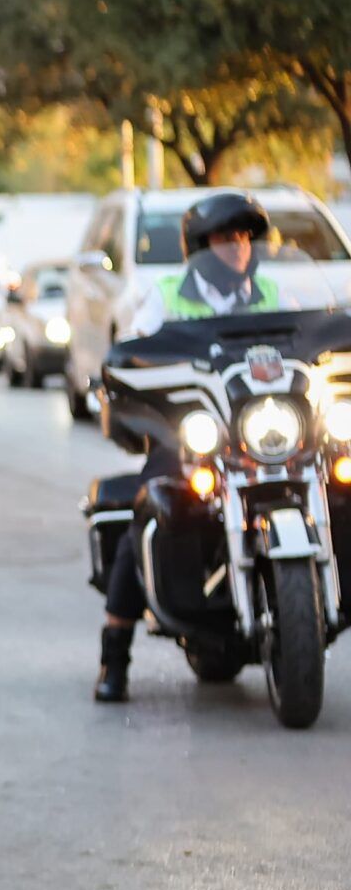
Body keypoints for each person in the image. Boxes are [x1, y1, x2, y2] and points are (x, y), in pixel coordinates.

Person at [95, 191, 295, 702]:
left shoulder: (271, 293)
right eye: (226, 238)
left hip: (262, 433)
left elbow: (305, 347)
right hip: (193, 433)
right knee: (150, 504)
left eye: (246, 236)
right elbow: (133, 354)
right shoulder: (166, 295)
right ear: (200, 246)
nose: (239, 247)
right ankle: (114, 654)